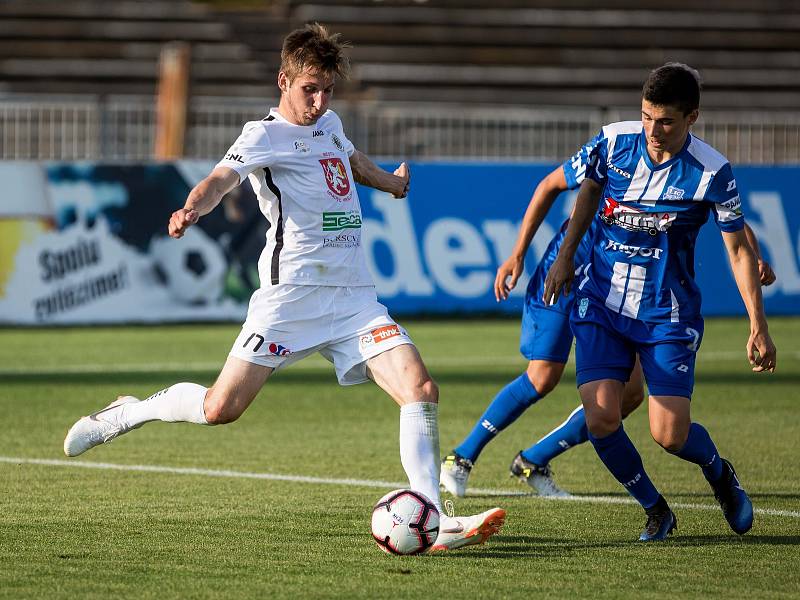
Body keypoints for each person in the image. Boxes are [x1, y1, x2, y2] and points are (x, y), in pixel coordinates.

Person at [63, 23, 505, 553]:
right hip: (289, 299)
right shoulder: (262, 135)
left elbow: (348, 158)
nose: (319, 102)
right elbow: (219, 181)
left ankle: (430, 516)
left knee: (420, 388)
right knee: (219, 409)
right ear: (283, 81)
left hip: (352, 298)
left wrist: (389, 181)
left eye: (327, 90)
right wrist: (191, 208)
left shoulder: (331, 123)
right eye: (309, 90)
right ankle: (130, 410)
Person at [440, 153, 774, 499]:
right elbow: (550, 185)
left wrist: (756, 255)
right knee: (543, 375)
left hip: (615, 289)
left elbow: (725, 213)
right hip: (567, 268)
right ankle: (460, 458)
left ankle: (533, 460)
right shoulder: (615, 151)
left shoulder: (692, 169)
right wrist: (518, 253)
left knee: (628, 396)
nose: (656, 131)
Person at [542, 63, 776, 541]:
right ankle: (656, 509)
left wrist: (758, 323)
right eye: (647, 116)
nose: (653, 130)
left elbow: (736, 248)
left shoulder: (712, 171)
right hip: (601, 302)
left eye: (666, 121)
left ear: (692, 117)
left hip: (666, 313)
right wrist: (565, 254)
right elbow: (588, 189)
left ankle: (719, 473)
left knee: (669, 435)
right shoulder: (613, 142)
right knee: (602, 416)